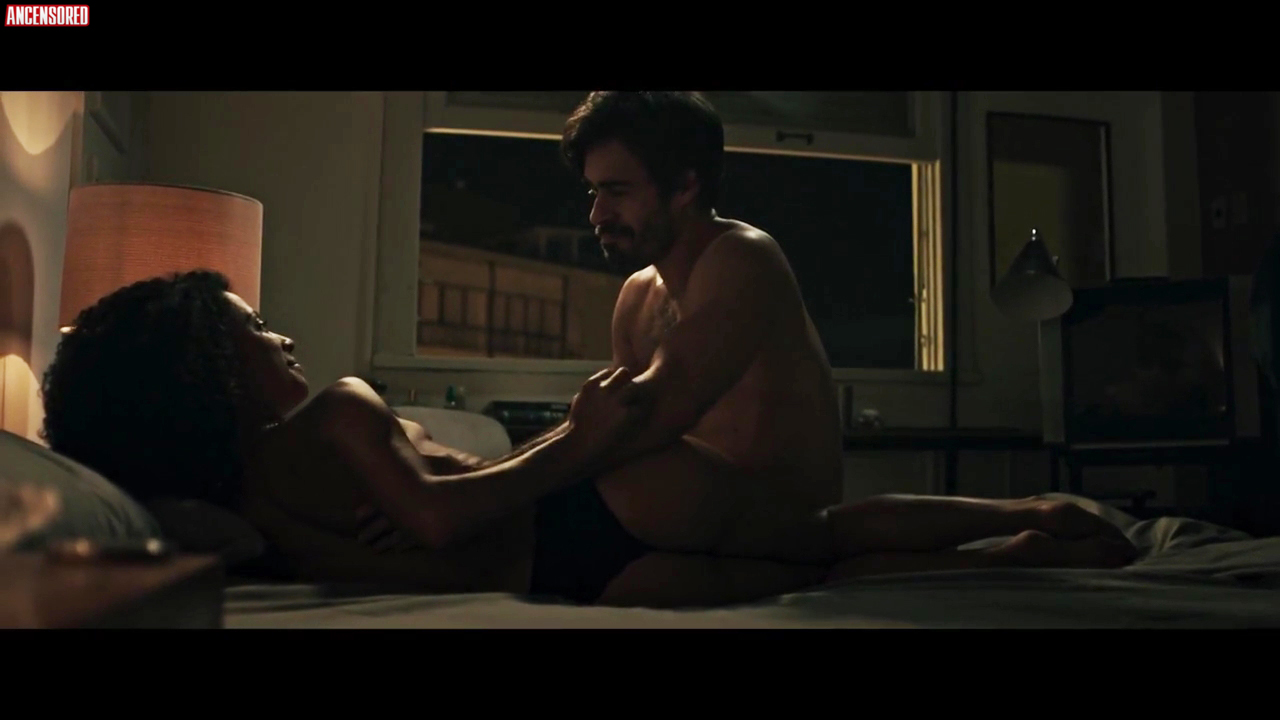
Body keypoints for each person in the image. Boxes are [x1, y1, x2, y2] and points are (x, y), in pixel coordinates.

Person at [38, 93, 1139, 608]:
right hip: (592, 533)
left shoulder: (741, 261)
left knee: (821, 541)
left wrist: (476, 475)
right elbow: (596, 439)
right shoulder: (632, 298)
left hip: (710, 494)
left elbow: (645, 420)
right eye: (592, 193)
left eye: (616, 191)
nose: (597, 213)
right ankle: (1030, 547)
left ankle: (1036, 514)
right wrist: (482, 473)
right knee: (815, 572)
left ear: (685, 186)